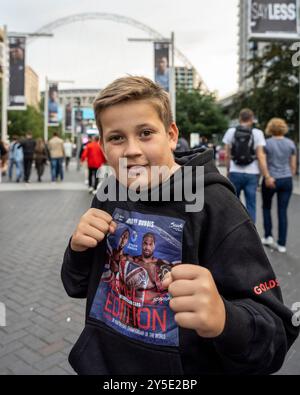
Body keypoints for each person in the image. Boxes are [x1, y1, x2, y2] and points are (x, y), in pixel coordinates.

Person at [61, 76, 299, 375]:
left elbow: (275, 336)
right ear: (103, 146)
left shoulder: (215, 204)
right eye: (117, 137)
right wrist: (78, 249)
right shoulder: (110, 192)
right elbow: (76, 285)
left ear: (171, 134)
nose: (131, 149)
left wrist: (226, 319)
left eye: (146, 133)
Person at [223, 108, 269, 223]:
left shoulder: (231, 132)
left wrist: (228, 170)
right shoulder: (257, 133)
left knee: (234, 204)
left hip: (235, 171)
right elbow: (260, 155)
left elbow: (227, 154)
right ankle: (251, 234)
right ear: (252, 119)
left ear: (240, 118)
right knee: (251, 204)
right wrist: (265, 175)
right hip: (252, 174)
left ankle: (234, 231)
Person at [261, 118, 297, 254]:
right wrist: (289, 175)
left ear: (270, 128)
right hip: (286, 179)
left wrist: (266, 176)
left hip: (271, 179)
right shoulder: (291, 144)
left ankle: (268, 236)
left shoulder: (266, 143)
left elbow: (263, 162)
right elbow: (293, 165)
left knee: (266, 207)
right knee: (282, 211)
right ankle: (282, 244)